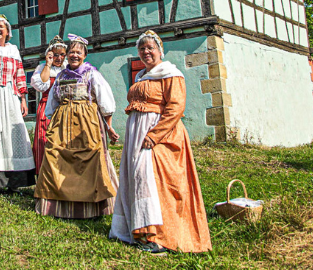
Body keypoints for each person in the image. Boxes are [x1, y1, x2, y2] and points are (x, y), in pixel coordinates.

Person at [109, 31, 212, 253]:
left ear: (159, 50)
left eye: (150, 48)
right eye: (142, 49)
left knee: (155, 181)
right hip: (138, 133)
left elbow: (175, 108)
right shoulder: (141, 77)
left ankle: (160, 236)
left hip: (161, 135)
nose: (146, 52)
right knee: (137, 178)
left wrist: (154, 135)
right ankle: (139, 229)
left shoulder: (171, 74)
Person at [34, 34, 120, 219]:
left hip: (87, 124)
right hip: (62, 122)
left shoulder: (92, 74)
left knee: (90, 159)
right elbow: (52, 102)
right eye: (71, 52)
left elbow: (106, 103)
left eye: (78, 52)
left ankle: (94, 206)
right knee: (56, 157)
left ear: (84, 55)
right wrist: (52, 122)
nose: (74, 55)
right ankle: (58, 205)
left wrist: (108, 127)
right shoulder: (61, 76)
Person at [0, 15, 35, 193]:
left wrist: (23, 99)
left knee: (14, 135)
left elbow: (19, 75)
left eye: (1, 27)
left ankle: (14, 181)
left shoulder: (13, 50)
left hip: (10, 94)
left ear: (8, 32)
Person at [30, 35, 67, 175]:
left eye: (62, 55)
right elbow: (41, 85)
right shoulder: (43, 68)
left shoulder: (67, 68)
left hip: (63, 108)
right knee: (44, 139)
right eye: (55, 55)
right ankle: (44, 174)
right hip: (46, 107)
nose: (59, 58)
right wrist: (48, 64)